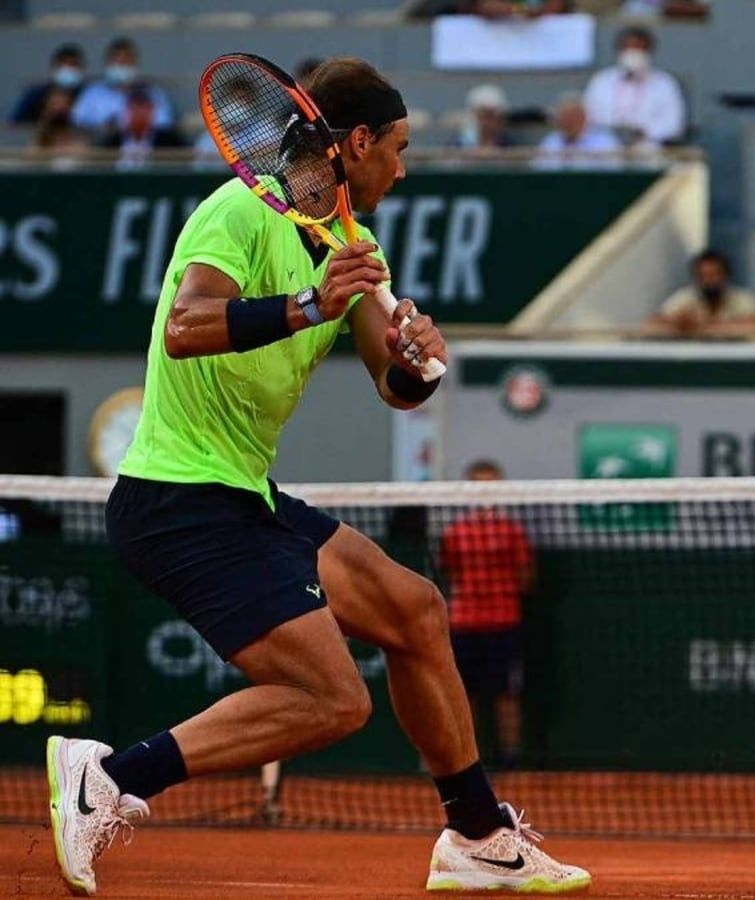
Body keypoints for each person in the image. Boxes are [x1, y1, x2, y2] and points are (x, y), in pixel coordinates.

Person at [44, 58, 589, 895]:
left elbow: (392, 383)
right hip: (176, 500)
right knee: (333, 699)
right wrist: (307, 307)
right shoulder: (236, 214)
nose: (401, 170)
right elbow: (188, 326)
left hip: (244, 496)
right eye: (397, 149)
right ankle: (109, 778)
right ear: (355, 142)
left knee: (414, 611)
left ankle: (478, 835)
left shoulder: (352, 243)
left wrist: (419, 362)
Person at [440, 460, 534, 769]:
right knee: (466, 696)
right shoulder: (455, 533)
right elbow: (450, 572)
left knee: (507, 694)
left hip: (504, 622)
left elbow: (526, 577)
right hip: (464, 623)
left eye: (490, 486)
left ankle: (511, 757)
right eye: (478, 486)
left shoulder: (512, 532)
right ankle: (468, 760)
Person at [581, 26, 686, 145]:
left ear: (649, 51)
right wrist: (614, 130)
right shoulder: (601, 81)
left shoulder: (664, 84)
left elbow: (674, 124)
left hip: (649, 147)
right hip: (605, 147)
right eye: (627, 48)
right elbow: (588, 117)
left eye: (638, 48)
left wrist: (644, 131)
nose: (632, 53)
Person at [71, 37, 175, 133]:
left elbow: (164, 124)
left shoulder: (153, 93)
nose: (122, 66)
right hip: (100, 146)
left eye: (126, 61)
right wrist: (101, 128)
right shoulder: (92, 93)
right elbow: (77, 121)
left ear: (135, 64)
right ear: (107, 63)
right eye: (117, 61)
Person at [652, 249, 755, 337]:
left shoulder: (742, 298)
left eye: (713, 275)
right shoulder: (686, 297)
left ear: (726, 275)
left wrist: (703, 325)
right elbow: (653, 323)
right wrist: (676, 321)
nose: (708, 280)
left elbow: (752, 326)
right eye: (702, 276)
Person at [97, 87, 186, 168]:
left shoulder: (170, 141)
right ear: (127, 111)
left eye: (144, 108)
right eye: (135, 108)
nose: (140, 113)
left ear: (152, 111)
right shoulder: (112, 142)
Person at [537, 95, 623, 167]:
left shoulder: (605, 142)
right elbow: (538, 171)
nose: (568, 123)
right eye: (564, 118)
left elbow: (615, 172)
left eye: (572, 117)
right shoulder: (550, 142)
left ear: (583, 117)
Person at [8, 43, 85, 125]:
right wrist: (47, 114)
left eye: (73, 65)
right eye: (63, 65)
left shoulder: (87, 95)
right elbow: (13, 124)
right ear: (53, 68)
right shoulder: (35, 94)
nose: (68, 70)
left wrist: (72, 113)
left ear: (81, 69)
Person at [454, 84, 518, 152]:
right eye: (484, 115)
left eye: (492, 116)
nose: (488, 122)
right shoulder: (459, 143)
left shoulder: (510, 144)